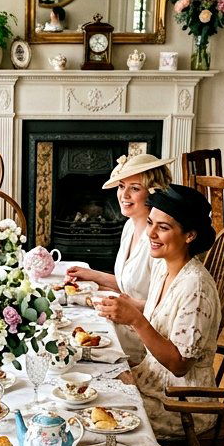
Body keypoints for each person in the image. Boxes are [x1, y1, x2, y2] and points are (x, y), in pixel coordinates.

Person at [92, 183, 220, 441]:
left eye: (163, 228)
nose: (150, 233)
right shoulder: (164, 268)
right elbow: (162, 312)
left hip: (179, 406)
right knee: (84, 385)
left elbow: (179, 365)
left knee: (91, 415)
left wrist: (135, 319)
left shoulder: (195, 288)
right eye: (150, 223)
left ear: (189, 235)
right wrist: (124, 305)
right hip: (151, 383)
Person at [65, 151, 173, 362]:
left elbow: (167, 307)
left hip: (144, 338)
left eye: (135, 188)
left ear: (153, 193)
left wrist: (130, 305)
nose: (124, 195)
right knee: (65, 327)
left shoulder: (159, 242)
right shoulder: (129, 227)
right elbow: (130, 285)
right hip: (121, 322)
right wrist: (93, 275)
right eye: (122, 186)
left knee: (72, 347)